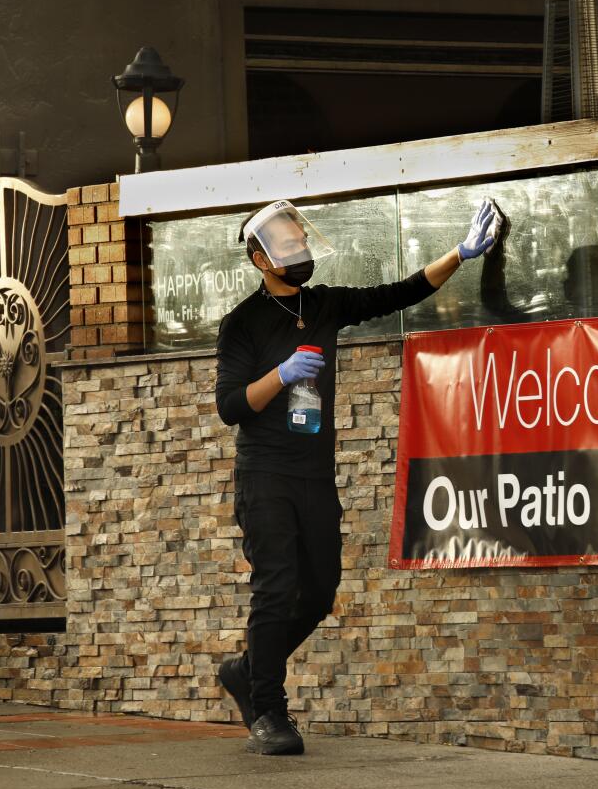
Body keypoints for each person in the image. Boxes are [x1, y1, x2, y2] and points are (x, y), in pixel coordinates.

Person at [214, 197, 505, 756]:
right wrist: (281, 373)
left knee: (320, 591)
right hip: (266, 475)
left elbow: (401, 291)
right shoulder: (242, 324)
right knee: (275, 592)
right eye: (287, 245)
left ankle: (248, 668)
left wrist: (461, 255)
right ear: (260, 259)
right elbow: (231, 407)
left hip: (314, 475)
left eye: (301, 241)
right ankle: (268, 712)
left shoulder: (323, 306)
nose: (299, 250)